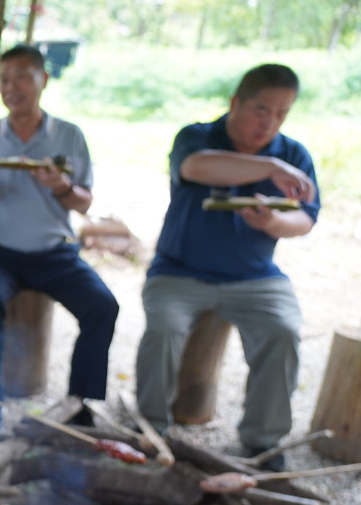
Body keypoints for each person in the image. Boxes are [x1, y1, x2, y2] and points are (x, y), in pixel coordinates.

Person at [135, 64, 319, 470]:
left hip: (254, 276)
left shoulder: (292, 153)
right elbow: (195, 168)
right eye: (261, 109)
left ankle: (262, 441)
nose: (269, 122)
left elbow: (305, 218)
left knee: (284, 330)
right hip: (178, 271)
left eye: (281, 113)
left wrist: (273, 222)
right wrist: (270, 169)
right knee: (162, 329)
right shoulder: (197, 137)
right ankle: (150, 430)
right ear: (236, 102)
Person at [0, 44, 119, 432]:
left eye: (22, 77)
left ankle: (80, 404)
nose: (12, 87)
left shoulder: (67, 134)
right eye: (4, 79)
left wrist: (61, 186)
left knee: (103, 307)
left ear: (43, 80)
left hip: (54, 253)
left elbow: (83, 202)